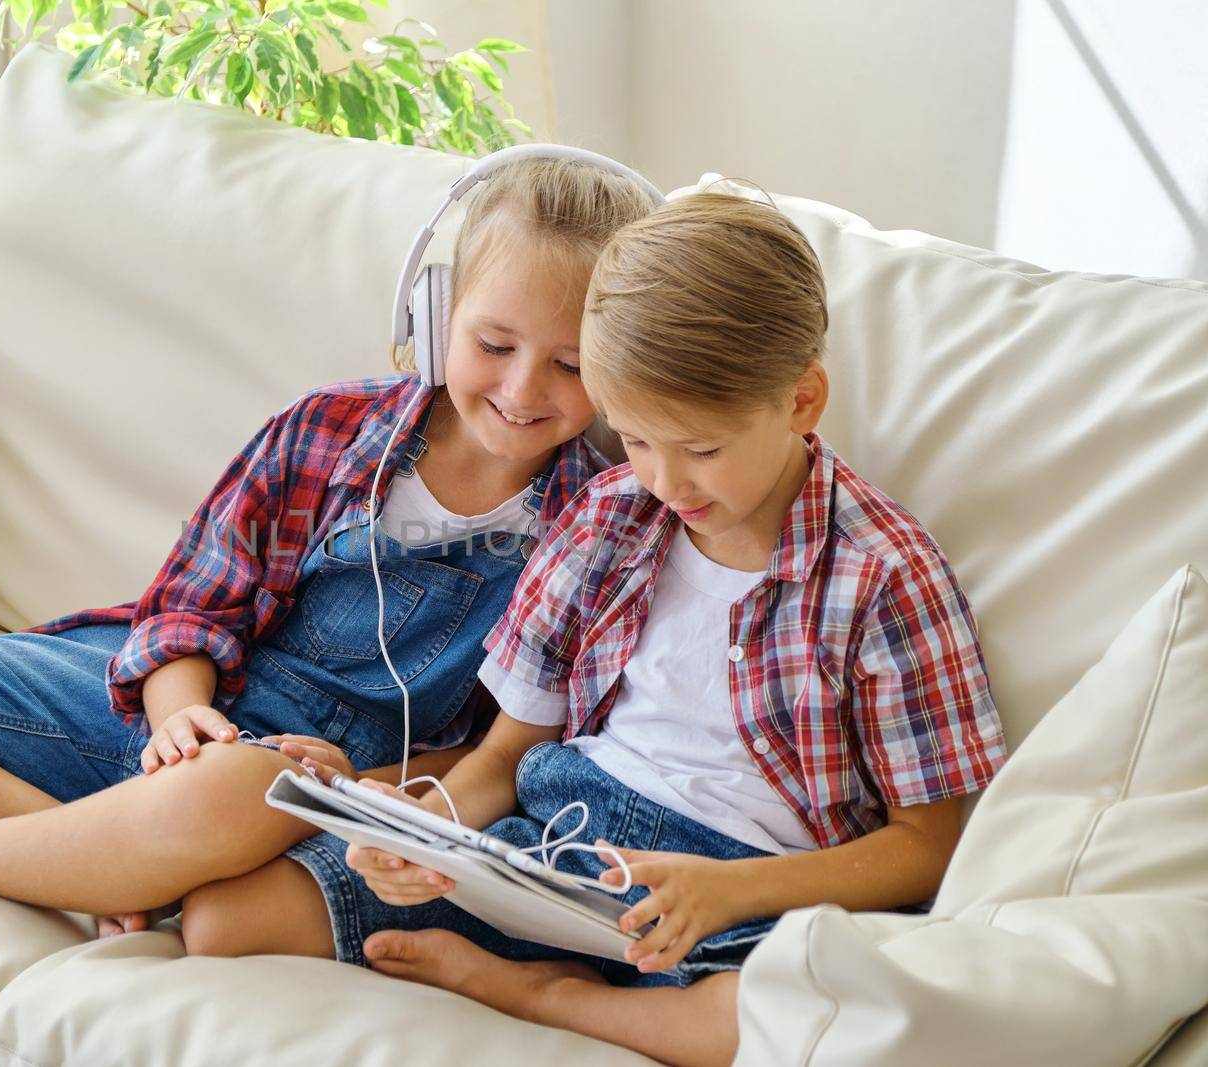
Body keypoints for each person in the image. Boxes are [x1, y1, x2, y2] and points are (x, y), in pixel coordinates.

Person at [177, 189, 1009, 1067]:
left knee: (774, 1020)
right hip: (557, 838)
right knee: (230, 920)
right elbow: (504, 755)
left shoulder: (884, 573)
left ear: (803, 400)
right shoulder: (610, 514)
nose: (666, 481)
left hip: (750, 887)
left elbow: (929, 844)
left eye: (702, 447)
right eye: (637, 439)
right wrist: (424, 830)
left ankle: (547, 997)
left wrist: (729, 891)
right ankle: (557, 974)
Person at [0, 155, 659, 935]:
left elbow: (524, 751)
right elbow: (187, 604)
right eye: (493, 342)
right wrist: (179, 713)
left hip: (293, 783)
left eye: (571, 363)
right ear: (432, 312)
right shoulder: (331, 427)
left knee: (235, 788)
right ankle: (94, 858)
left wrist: (361, 784)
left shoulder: (598, 527)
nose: (523, 385)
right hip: (171, 709)